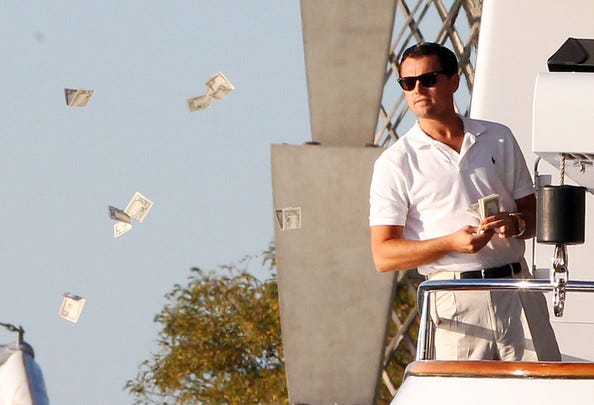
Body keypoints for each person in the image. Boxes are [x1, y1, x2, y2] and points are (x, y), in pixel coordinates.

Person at [368, 42, 560, 361]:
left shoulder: (498, 137)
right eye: (407, 82)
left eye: (429, 79)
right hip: (454, 299)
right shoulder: (395, 162)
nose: (418, 89)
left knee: (541, 392)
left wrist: (516, 224)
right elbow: (383, 254)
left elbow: (534, 214)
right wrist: (451, 243)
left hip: (517, 289)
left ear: (454, 81)